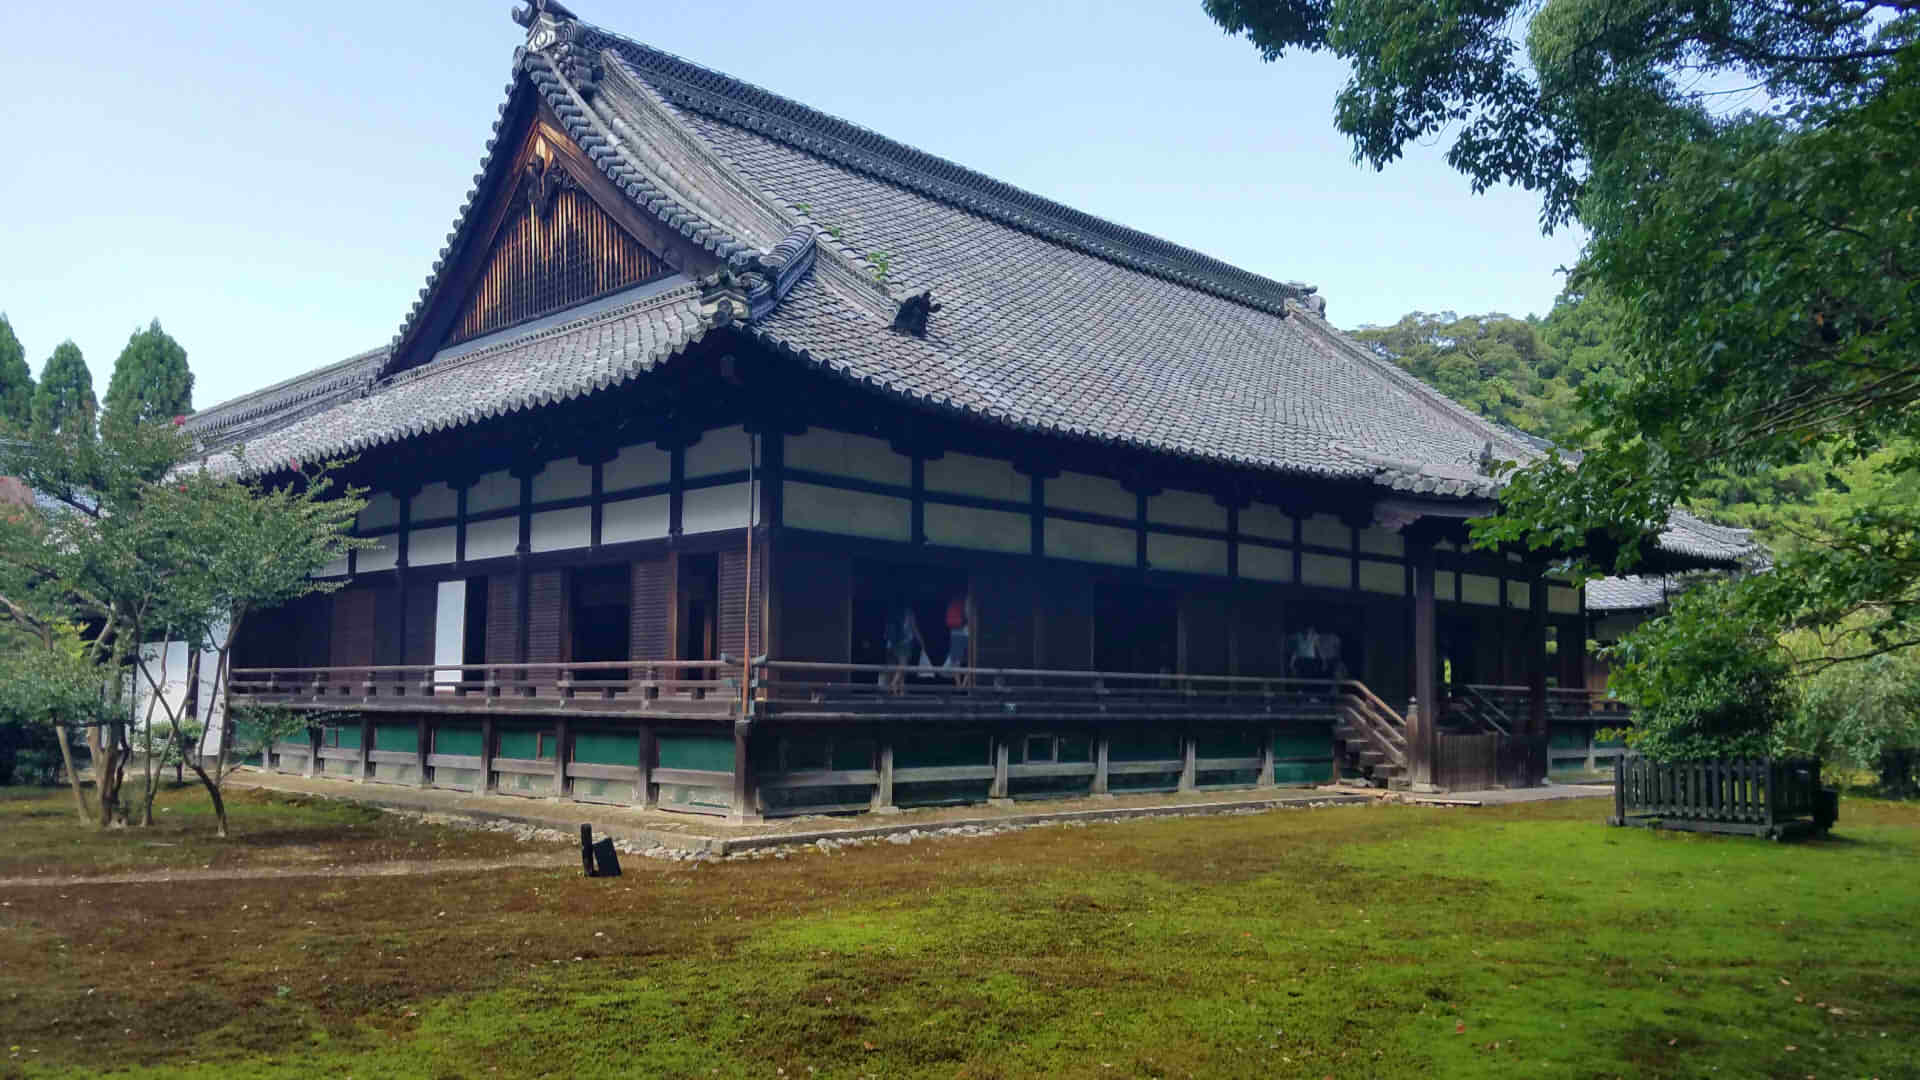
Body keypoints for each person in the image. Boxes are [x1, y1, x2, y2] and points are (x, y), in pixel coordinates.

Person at [885, 606, 922, 694]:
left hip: (891, 644)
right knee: (903, 667)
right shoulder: (909, 612)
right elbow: (914, 628)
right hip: (904, 644)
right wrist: (921, 642)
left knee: (895, 668)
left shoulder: (892, 611)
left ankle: (899, 691)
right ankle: (894, 684)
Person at [942, 593, 971, 687]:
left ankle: (959, 685)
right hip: (967, 632)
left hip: (955, 632)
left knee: (956, 660)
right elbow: (968, 616)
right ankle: (964, 684)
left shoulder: (952, 604)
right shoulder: (968, 601)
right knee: (970, 660)